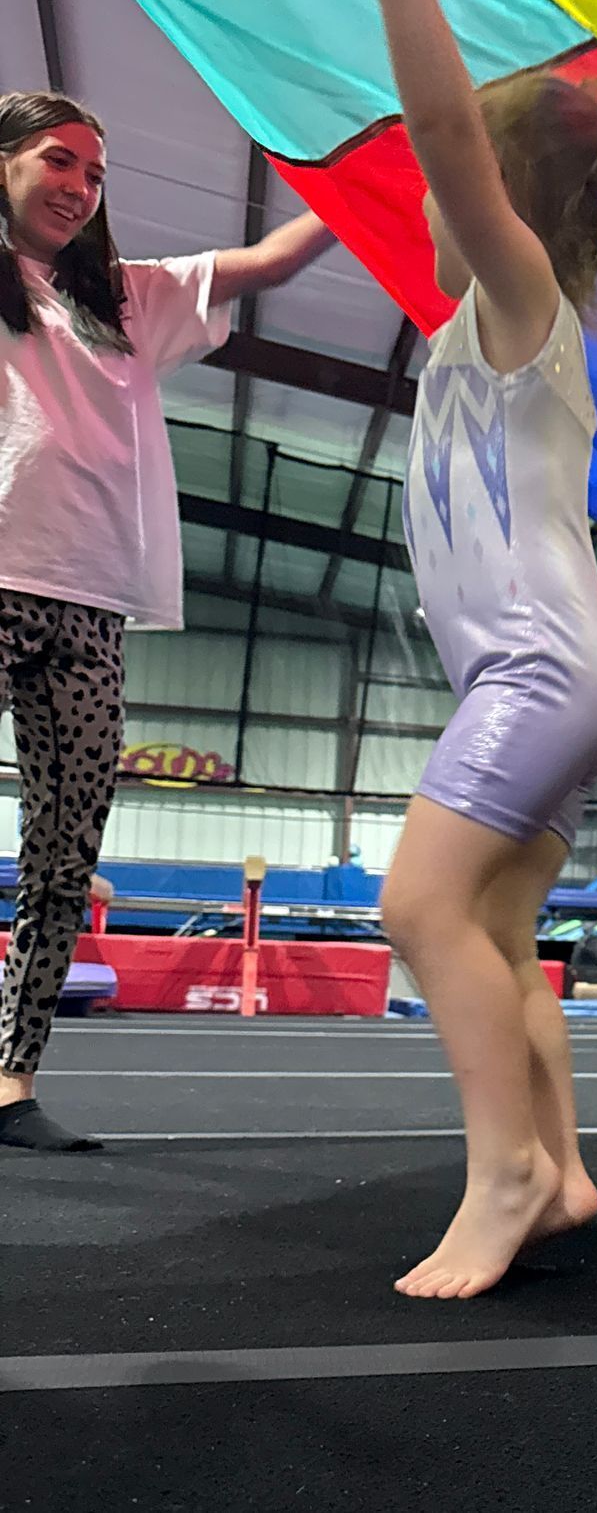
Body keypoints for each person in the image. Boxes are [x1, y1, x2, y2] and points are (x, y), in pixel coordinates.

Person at [369, 0, 597, 1298]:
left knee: (419, 906)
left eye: (455, 186)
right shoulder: (487, 330)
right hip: (549, 670)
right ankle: (562, 1160)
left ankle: (505, 1172)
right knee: (491, 918)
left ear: (500, 202)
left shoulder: (517, 297)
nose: (428, 200)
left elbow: (445, 136)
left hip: (540, 668)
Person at [0, 90, 334, 1154]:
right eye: (58, 160)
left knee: (65, 853)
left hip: (93, 601)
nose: (79, 186)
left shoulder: (128, 299)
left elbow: (272, 259)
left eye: (96, 174)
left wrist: (386, 160)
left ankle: (10, 1080)